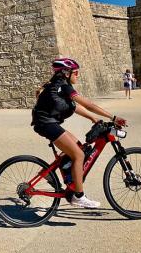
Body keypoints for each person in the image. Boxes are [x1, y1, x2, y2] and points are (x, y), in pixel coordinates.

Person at [32, 58, 128, 209]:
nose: (78, 75)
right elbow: (88, 104)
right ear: (66, 72)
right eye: (75, 72)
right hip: (46, 124)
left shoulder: (60, 86)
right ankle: (79, 196)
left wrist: (93, 118)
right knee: (79, 155)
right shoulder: (63, 86)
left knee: (78, 147)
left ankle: (51, 174)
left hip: (48, 123)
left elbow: (73, 107)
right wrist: (113, 117)